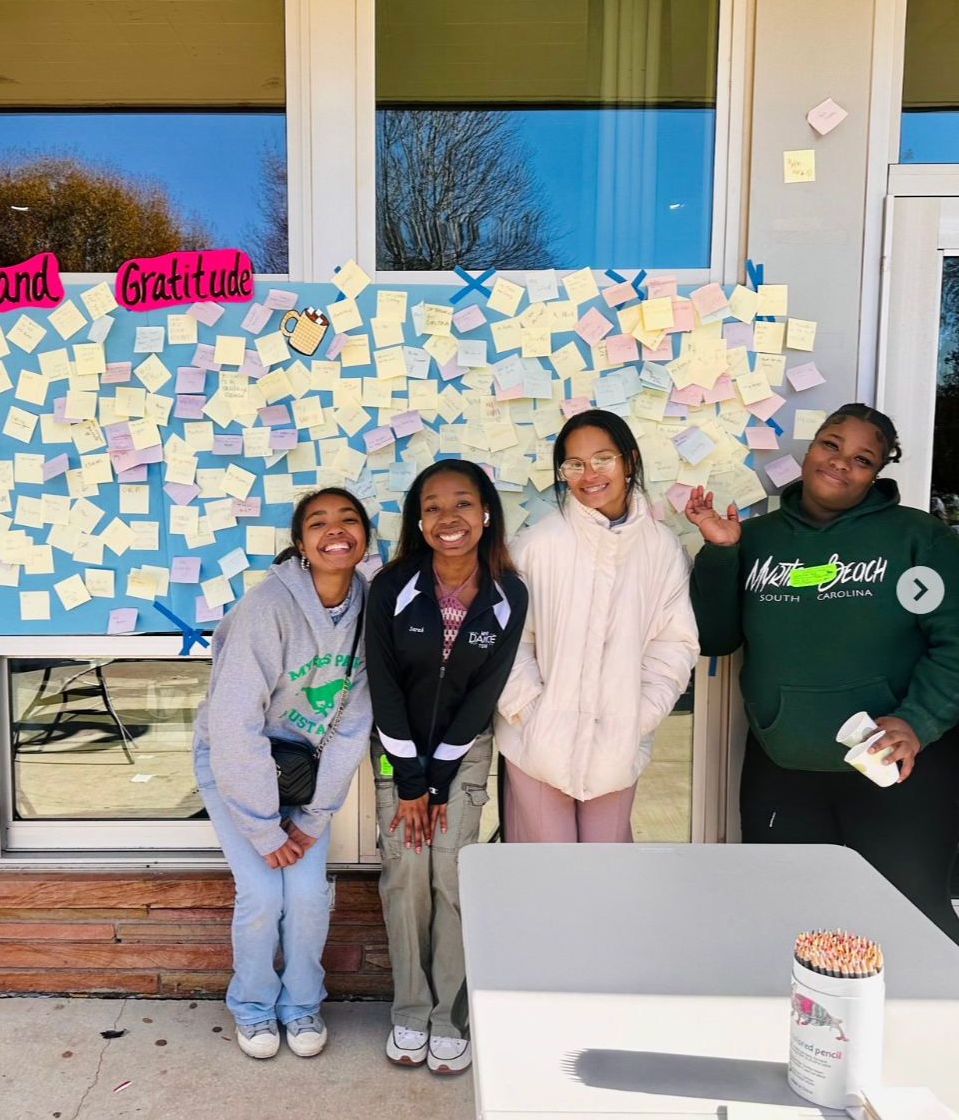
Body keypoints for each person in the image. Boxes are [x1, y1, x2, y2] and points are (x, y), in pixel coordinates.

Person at [686, 403, 959, 943]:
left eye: (862, 458)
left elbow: (953, 642)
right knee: (791, 926)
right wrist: (720, 554)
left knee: (912, 927)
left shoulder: (917, 540)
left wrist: (917, 721)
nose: (840, 463)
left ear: (877, 472)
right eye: (831, 445)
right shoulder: (758, 539)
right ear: (810, 448)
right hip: (783, 770)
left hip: (893, 770)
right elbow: (717, 639)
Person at [192, 488, 374, 1059]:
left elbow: (352, 725)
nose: (334, 531)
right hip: (237, 763)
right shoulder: (267, 607)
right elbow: (233, 724)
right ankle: (252, 1007)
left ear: (365, 537)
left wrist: (315, 817)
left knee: (310, 895)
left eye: (348, 520)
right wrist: (265, 829)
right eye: (318, 523)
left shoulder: (371, 609)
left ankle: (301, 1007)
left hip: (304, 771)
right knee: (264, 893)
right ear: (300, 544)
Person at [366, 460, 527, 1075]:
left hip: (464, 755)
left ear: (486, 513)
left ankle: (449, 1019)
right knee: (407, 876)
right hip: (397, 752)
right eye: (432, 506)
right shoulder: (391, 586)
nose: (447, 517)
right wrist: (411, 782)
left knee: (451, 881)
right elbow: (385, 688)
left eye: (462, 503)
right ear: (418, 520)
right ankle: (410, 1012)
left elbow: (485, 694)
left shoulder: (509, 592)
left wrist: (437, 781)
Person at [495, 410, 699, 843]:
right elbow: (508, 643)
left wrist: (638, 717)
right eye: (575, 464)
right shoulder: (536, 545)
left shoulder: (660, 548)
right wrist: (537, 717)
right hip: (536, 748)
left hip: (617, 745)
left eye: (603, 459)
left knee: (607, 876)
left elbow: (674, 644)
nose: (590, 474)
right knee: (546, 874)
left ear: (629, 460)